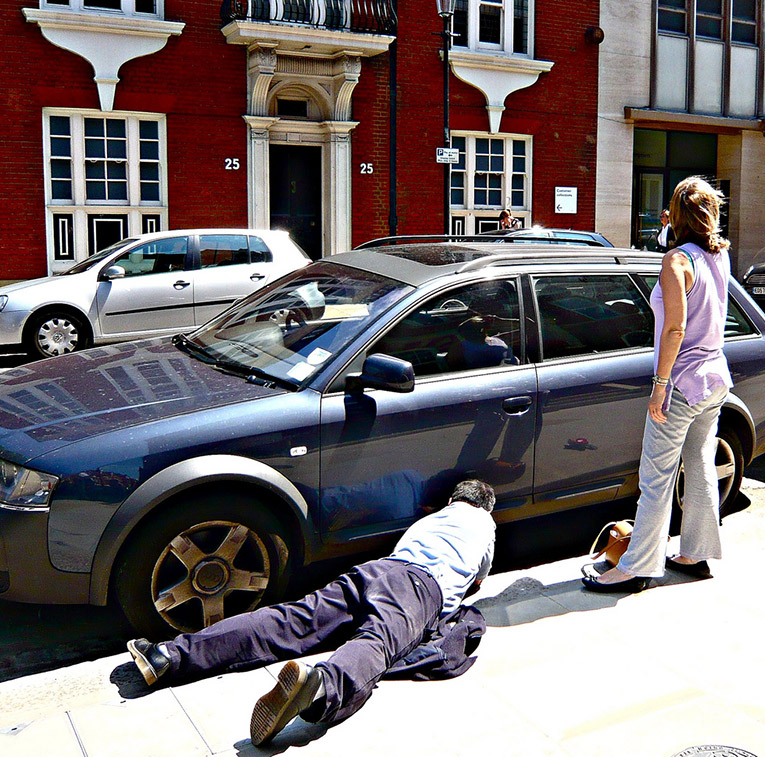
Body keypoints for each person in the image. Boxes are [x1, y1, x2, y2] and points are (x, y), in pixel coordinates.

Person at [127, 479, 496, 746]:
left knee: (291, 620)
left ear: (452, 499)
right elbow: (477, 580)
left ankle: (168, 655)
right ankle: (320, 687)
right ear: (485, 505)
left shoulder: (429, 522)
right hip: (418, 589)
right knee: (377, 642)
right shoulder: (485, 524)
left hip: (373, 571)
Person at [583, 177, 733, 593]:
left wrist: (659, 384)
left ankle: (638, 566)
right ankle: (694, 553)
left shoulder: (676, 262)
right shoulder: (719, 256)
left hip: (683, 383)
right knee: (700, 464)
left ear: (676, 215)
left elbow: (675, 329)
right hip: (715, 379)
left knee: (656, 477)